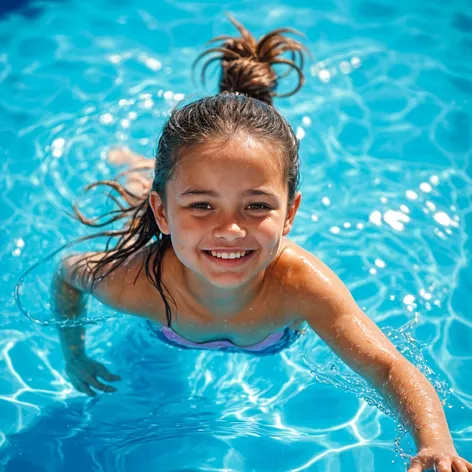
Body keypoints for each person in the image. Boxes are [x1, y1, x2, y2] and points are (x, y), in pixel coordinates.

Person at [51, 14, 471, 472]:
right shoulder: (135, 283)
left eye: (256, 207)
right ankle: (135, 170)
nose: (231, 230)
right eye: (202, 207)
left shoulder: (300, 285)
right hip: (160, 259)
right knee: (140, 184)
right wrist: (76, 355)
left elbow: (387, 367)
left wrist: (437, 443)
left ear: (289, 214)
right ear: (162, 214)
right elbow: (68, 272)